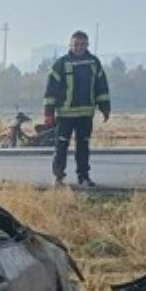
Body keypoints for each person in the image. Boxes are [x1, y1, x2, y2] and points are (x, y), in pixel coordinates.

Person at [44, 31, 111, 186]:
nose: (79, 47)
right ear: (70, 45)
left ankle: (84, 177)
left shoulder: (94, 63)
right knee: (61, 146)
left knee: (83, 147)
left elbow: (101, 86)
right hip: (65, 115)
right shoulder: (61, 64)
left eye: (82, 44)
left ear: (87, 45)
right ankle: (59, 177)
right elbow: (50, 90)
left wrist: (105, 107)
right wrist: (49, 113)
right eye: (76, 44)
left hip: (86, 115)